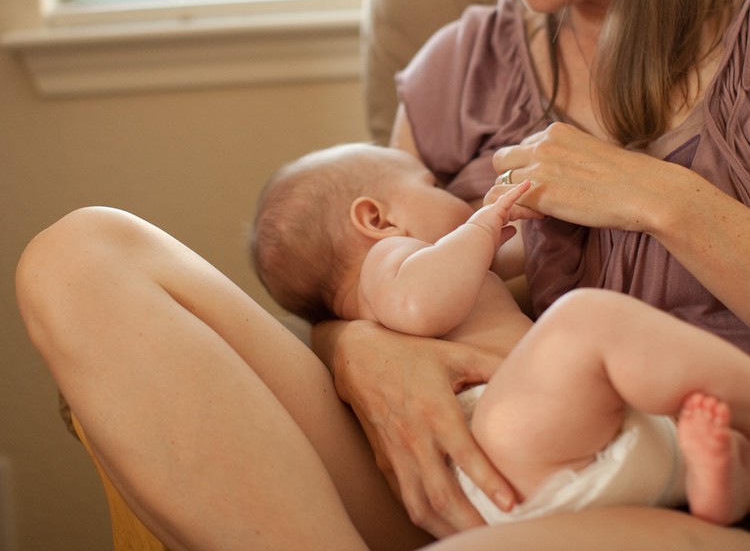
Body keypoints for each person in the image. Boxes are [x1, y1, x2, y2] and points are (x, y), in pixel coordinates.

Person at [14, 0, 750, 548]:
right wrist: (358, 348)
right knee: (79, 256)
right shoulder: (458, 71)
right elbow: (359, 265)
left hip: (676, 488)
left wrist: (661, 198)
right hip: (458, 471)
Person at [251, 141, 750, 525]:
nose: (456, 199)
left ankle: (717, 482)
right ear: (377, 219)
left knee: (701, 432)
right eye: (434, 187)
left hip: (551, 453)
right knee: (585, 320)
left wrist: (526, 218)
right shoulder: (388, 265)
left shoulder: (433, 268)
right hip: (496, 447)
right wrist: (484, 224)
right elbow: (420, 305)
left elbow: (511, 259)